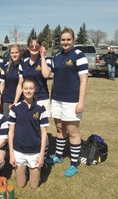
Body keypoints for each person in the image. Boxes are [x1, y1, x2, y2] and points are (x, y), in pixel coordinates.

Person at [47, 27, 88, 177]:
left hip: (72, 101)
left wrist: (81, 102)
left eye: (68, 39)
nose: (65, 42)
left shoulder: (79, 55)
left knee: (73, 132)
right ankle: (58, 156)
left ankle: (74, 163)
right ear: (60, 41)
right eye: (63, 40)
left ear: (73, 40)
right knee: (59, 130)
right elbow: (49, 74)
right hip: (57, 99)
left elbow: (84, 81)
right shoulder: (56, 56)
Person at [8, 78, 48, 189]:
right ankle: (24, 169)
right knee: (21, 185)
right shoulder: (15, 108)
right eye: (25, 88)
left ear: (35, 89)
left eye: (31, 88)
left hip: (34, 150)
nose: (28, 91)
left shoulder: (41, 108)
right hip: (19, 150)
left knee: (34, 186)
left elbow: (44, 134)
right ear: (22, 89)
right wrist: (11, 154)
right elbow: (10, 133)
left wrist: (41, 156)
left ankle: (33, 169)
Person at [13, 36, 51, 116]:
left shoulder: (46, 60)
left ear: (40, 47)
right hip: (27, 98)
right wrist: (15, 102)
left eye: (37, 46)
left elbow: (46, 75)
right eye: (31, 46)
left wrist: (43, 56)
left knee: (41, 127)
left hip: (42, 98)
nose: (34, 48)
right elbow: (20, 84)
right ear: (28, 47)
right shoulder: (23, 63)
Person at [0, 44, 22, 117]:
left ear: (20, 53)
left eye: (16, 52)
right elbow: (2, 85)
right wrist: (0, 99)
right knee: (6, 122)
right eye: (12, 53)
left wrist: (15, 102)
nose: (14, 55)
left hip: (20, 99)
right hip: (7, 99)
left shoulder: (24, 65)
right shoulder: (5, 67)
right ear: (9, 54)